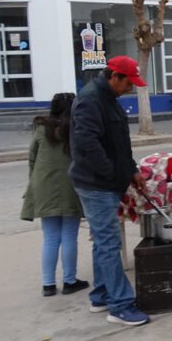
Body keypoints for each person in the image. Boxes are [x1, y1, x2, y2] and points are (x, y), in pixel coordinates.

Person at [69, 56, 149, 327]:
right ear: (114, 76)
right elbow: (86, 143)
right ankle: (120, 305)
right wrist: (111, 174)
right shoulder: (91, 100)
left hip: (107, 181)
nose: (130, 88)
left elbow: (119, 142)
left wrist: (132, 169)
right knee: (109, 244)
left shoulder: (109, 99)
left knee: (103, 241)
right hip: (96, 184)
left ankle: (101, 293)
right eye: (129, 83)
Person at [21, 92, 87, 297]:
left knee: (50, 237)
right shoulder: (76, 129)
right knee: (69, 236)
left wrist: (34, 184)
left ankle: (48, 284)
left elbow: (32, 159)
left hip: (44, 186)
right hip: (71, 185)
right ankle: (69, 281)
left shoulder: (41, 129)